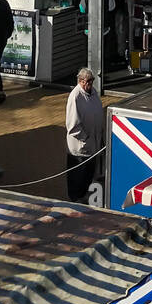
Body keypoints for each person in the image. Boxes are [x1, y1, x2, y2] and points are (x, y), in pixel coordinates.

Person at [65, 67, 104, 204]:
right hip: (80, 149)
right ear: (81, 81)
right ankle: (75, 201)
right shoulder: (75, 97)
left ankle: (83, 198)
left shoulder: (93, 93)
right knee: (78, 178)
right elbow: (72, 125)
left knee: (88, 175)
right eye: (89, 81)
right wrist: (86, 139)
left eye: (92, 81)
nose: (91, 84)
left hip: (93, 145)